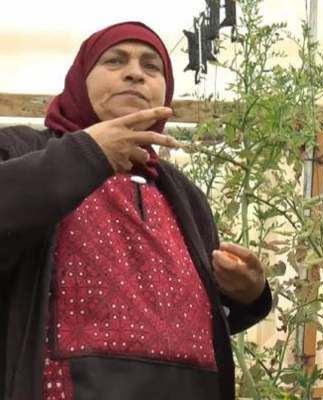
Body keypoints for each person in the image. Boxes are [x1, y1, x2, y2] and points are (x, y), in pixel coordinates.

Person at [0, 21, 272, 400]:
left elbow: (196, 320)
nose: (135, 73)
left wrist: (247, 295)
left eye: (151, 66)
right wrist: (86, 155)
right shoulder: (20, 150)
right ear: (80, 79)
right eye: (114, 61)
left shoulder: (182, 194)